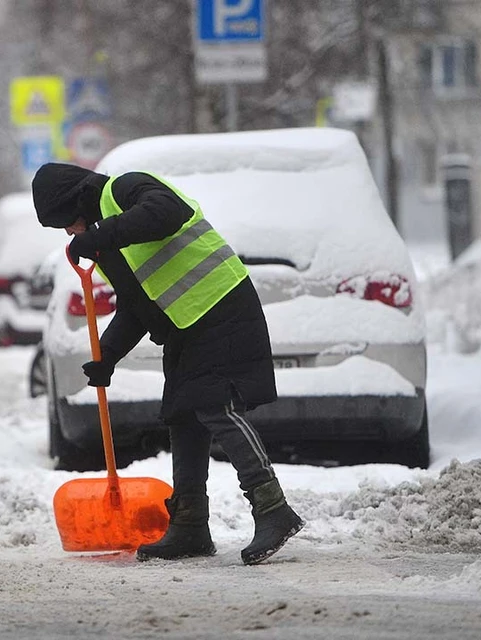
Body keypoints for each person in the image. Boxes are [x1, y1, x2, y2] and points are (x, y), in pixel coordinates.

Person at [31, 162, 305, 565]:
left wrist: (100, 235)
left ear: (75, 204)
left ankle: (272, 507)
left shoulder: (125, 189)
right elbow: (137, 306)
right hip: (185, 324)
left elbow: (166, 213)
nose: (70, 233)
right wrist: (106, 355)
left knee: (216, 406)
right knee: (182, 416)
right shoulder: (106, 244)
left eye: (66, 224)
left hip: (221, 305)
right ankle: (190, 525)